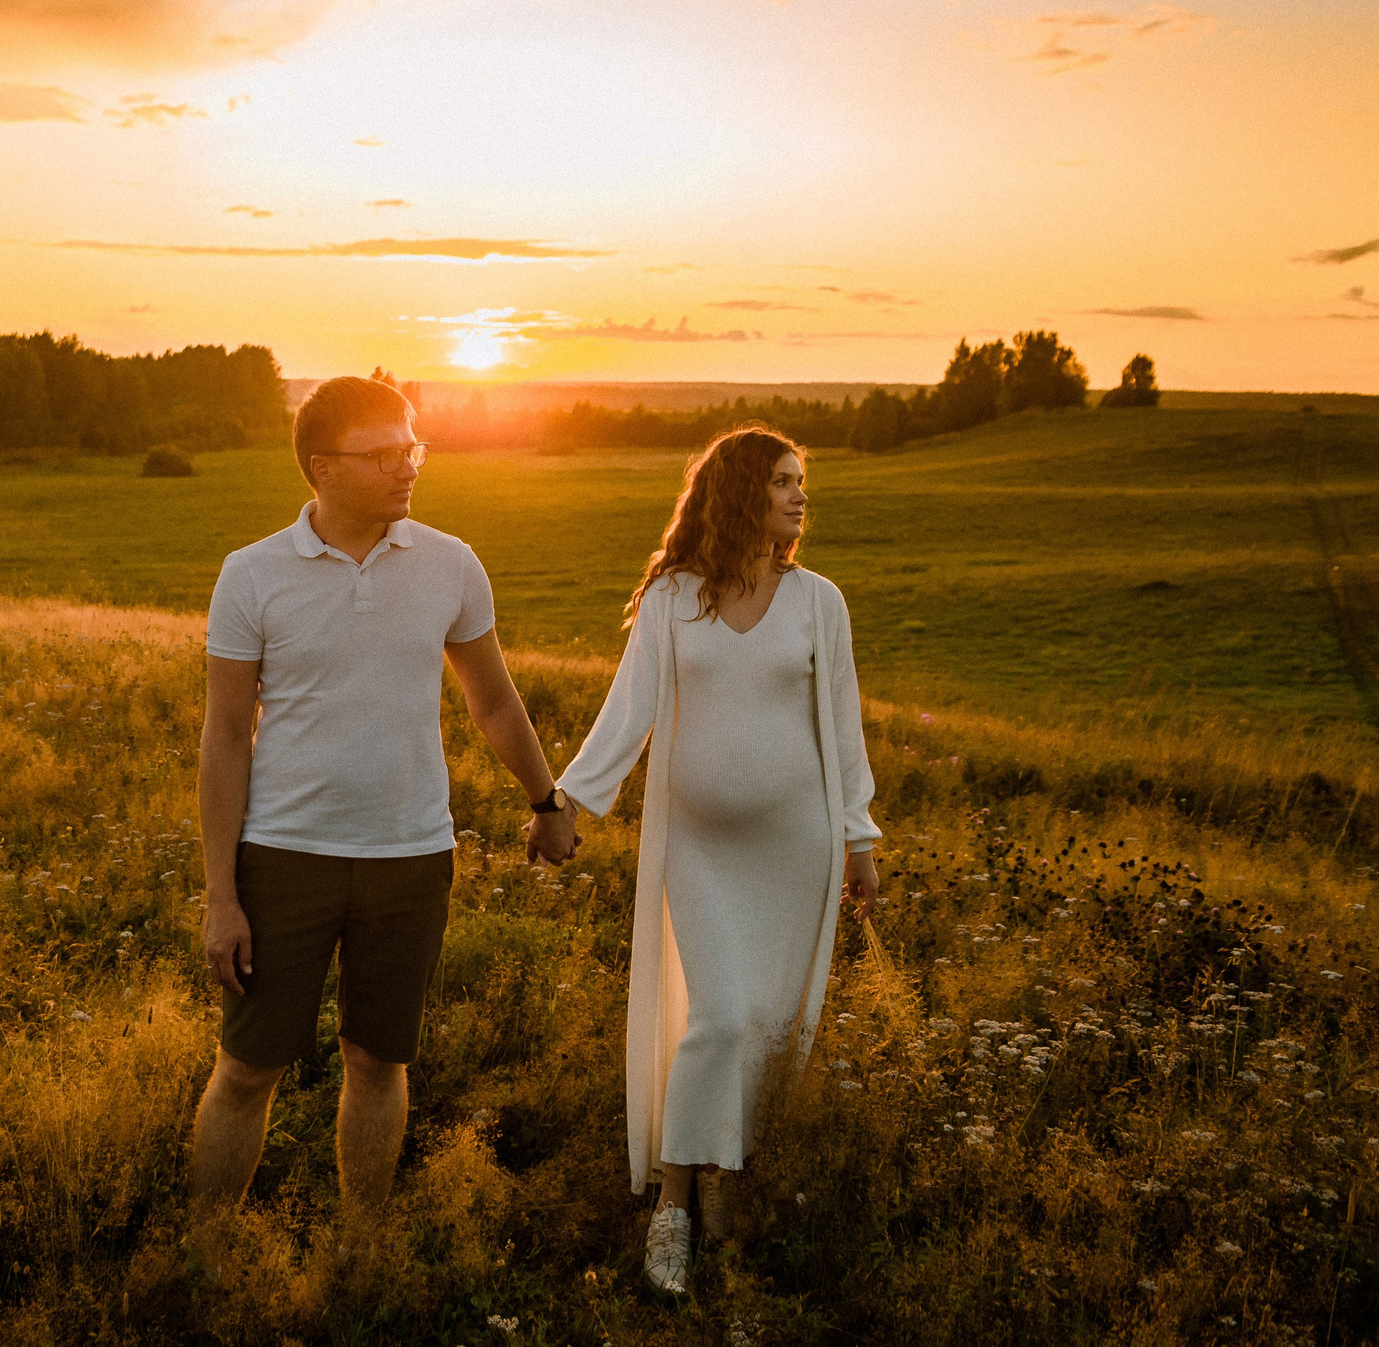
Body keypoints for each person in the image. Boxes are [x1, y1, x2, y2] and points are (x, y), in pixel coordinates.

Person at [188, 373, 576, 1220]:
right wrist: (222, 895)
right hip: (284, 858)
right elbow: (223, 738)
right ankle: (204, 1251)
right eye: (386, 454)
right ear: (322, 468)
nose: (410, 467)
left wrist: (547, 801)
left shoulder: (450, 563)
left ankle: (362, 1248)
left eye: (414, 447)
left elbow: (494, 699)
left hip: (409, 857)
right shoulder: (251, 576)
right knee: (248, 1068)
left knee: (378, 1060)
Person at [549, 425, 882, 1298]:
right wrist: (568, 803)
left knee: (766, 1032)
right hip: (697, 849)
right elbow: (629, 712)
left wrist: (860, 838)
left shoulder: (820, 602)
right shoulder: (674, 600)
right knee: (720, 1018)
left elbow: (843, 731)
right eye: (782, 480)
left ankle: (725, 1192)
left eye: (802, 481)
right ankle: (673, 1202)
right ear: (740, 492)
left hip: (794, 853)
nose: (799, 496)